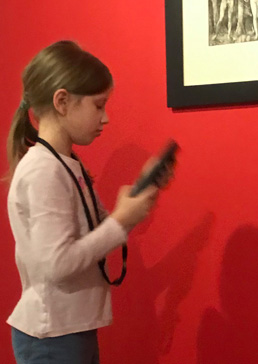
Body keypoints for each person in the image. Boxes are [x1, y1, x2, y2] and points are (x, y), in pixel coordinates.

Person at [6, 40, 172, 364]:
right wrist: (121, 221)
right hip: (51, 337)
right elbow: (58, 264)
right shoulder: (43, 171)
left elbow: (93, 236)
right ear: (62, 101)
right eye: (98, 106)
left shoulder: (67, 164)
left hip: (69, 330)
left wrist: (136, 200)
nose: (105, 118)